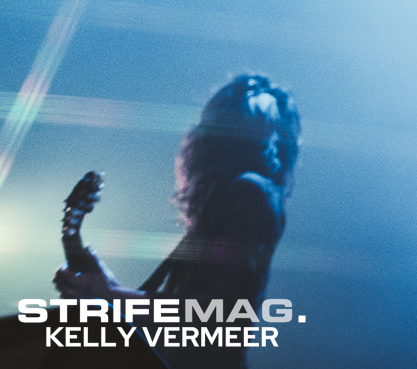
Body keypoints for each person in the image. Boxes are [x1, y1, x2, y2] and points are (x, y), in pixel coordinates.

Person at [46, 74, 299, 369]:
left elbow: (220, 313)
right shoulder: (228, 203)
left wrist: (110, 294)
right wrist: (110, 287)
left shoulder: (252, 191)